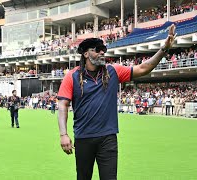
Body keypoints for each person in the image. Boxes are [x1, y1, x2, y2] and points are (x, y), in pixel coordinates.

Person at [57, 24, 176, 180]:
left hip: (108, 137)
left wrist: (164, 49)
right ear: (86, 54)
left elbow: (143, 69)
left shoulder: (113, 71)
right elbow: (62, 105)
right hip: (83, 137)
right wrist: (63, 134)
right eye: (96, 50)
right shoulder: (72, 76)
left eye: (103, 50)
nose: (101, 52)